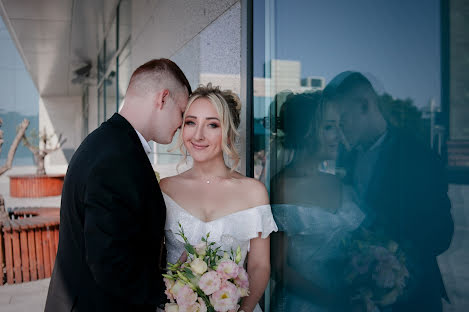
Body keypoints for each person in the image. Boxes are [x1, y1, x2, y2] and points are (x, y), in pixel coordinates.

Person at [45, 59, 191, 312]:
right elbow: (109, 264)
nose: (181, 124)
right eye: (182, 112)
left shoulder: (105, 142)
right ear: (163, 99)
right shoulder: (118, 156)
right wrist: (173, 289)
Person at [323, 71, 454, 311]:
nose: (339, 132)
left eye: (343, 120)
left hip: (412, 297)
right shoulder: (345, 155)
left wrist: (389, 258)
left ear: (365, 106)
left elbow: (442, 234)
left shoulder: (418, 156)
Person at [159, 84, 278, 312]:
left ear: (229, 132)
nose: (198, 135)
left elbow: (260, 266)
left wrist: (244, 310)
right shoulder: (166, 189)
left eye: (212, 125)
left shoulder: (254, 192)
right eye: (191, 122)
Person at [269, 91, 365, 311]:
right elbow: (279, 267)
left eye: (339, 126)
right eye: (330, 127)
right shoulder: (283, 186)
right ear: (306, 132)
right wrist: (331, 301)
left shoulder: (342, 184)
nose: (340, 135)